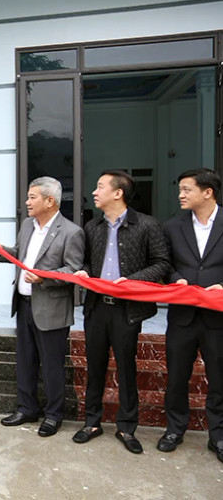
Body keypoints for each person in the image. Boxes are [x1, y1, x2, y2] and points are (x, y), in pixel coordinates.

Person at [72, 170, 170, 454]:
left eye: (100, 186)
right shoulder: (92, 227)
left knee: (126, 369)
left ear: (118, 193)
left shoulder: (148, 225)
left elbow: (162, 263)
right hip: (96, 308)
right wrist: (83, 271)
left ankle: (127, 427)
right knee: (95, 367)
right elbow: (90, 262)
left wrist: (134, 280)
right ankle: (92, 422)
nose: (94, 192)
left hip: (128, 310)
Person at [0, 177, 84, 437]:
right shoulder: (28, 225)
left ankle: (54, 415)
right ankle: (27, 408)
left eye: (32, 197)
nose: (27, 202)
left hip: (51, 310)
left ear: (50, 201)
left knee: (52, 366)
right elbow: (21, 253)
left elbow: (73, 271)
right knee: (25, 361)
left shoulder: (71, 232)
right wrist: (1, 252)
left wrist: (45, 277)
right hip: (24, 305)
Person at [160, 168, 223, 464]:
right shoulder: (173, 226)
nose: (180, 195)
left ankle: (219, 436)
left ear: (207, 192)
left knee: (219, 379)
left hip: (217, 317)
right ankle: (174, 429)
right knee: (177, 377)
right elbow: (164, 263)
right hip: (182, 316)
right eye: (180, 189)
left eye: (186, 189)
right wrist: (175, 279)